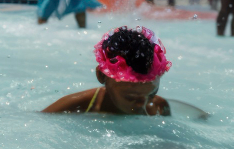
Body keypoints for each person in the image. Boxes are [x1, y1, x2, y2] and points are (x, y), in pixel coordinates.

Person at [43, 26, 172, 115]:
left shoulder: (158, 108)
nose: (142, 105)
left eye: (151, 95)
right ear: (102, 76)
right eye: (130, 97)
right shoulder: (74, 106)